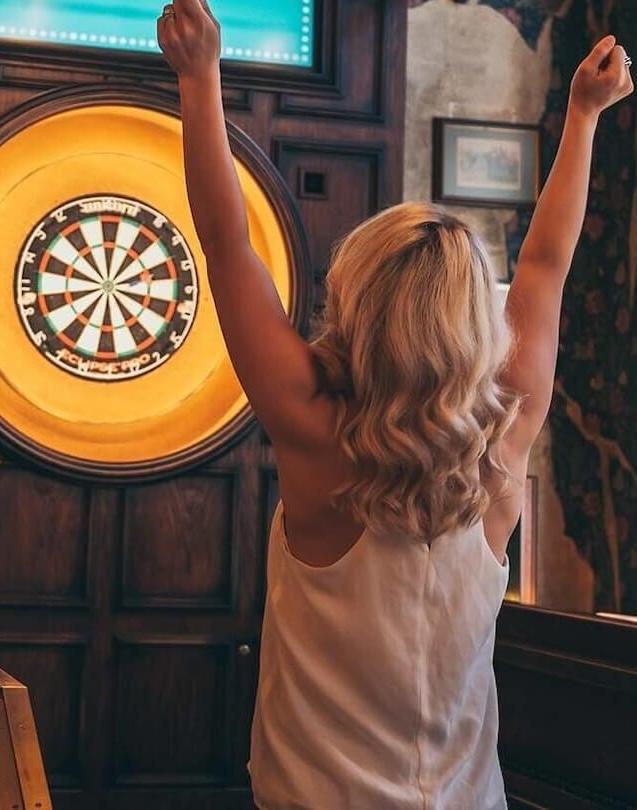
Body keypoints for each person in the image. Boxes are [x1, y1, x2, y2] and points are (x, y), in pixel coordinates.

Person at [157, 4, 633, 808]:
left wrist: (199, 76)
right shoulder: (502, 436)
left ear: (354, 302)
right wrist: (583, 117)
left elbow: (225, 241)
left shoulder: (312, 428)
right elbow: (546, 266)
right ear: (472, 318)